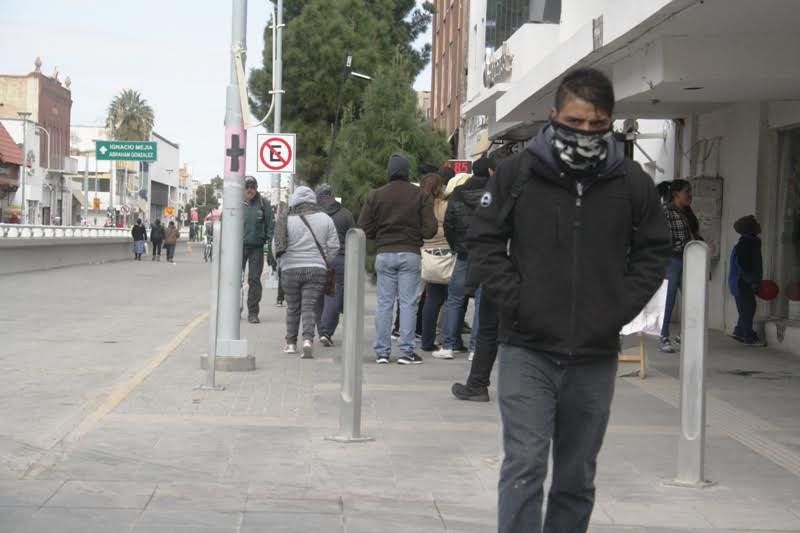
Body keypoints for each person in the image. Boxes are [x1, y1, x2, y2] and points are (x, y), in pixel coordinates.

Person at [467, 67, 671, 532]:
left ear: (610, 123)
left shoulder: (631, 182)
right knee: (524, 467)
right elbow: (483, 242)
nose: (585, 133)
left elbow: (654, 249)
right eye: (575, 123)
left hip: (594, 354)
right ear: (553, 114)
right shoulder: (518, 175)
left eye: (596, 125)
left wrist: (618, 306)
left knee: (576, 477)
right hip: (526, 348)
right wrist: (516, 299)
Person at [358, 152, 437, 365]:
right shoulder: (420, 195)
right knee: (409, 303)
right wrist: (415, 232)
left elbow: (364, 227)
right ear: (406, 171)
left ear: (389, 171)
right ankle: (406, 351)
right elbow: (430, 229)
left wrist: (380, 234)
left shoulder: (376, 195)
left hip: (384, 253)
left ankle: (382, 352)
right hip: (410, 253)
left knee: (384, 303)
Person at [434, 158, 495, 360]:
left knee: (454, 299)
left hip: (463, 253)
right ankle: (476, 348)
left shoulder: (458, 194)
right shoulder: (495, 194)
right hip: (486, 254)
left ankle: (449, 345)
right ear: (489, 171)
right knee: (481, 301)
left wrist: (455, 246)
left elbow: (449, 224)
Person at [273, 186, 338, 358]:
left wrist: (281, 263)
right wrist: (324, 262)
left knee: (293, 307)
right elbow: (334, 246)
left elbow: (275, 247)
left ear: (294, 199)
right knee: (309, 306)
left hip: (290, 270)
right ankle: (308, 340)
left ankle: (291, 344)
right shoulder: (325, 219)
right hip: (316, 270)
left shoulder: (285, 219)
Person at [659, 179, 701, 353]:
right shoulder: (665, 211)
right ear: (676, 194)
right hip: (672, 259)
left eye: (690, 191)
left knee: (694, 299)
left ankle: (684, 335)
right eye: (687, 192)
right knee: (668, 300)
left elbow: (694, 233)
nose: (690, 195)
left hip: (689, 259)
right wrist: (679, 244)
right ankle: (664, 336)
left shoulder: (687, 212)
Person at [313, 183, 355, 347]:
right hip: (339, 259)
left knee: (318, 296)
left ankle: (321, 330)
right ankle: (326, 331)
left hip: (317, 258)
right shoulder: (345, 214)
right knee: (333, 294)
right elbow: (354, 237)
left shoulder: (315, 214)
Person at [419, 173, 452, 352]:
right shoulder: (445, 206)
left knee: (430, 299)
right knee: (450, 299)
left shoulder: (420, 206)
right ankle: (447, 338)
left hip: (426, 255)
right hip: (446, 255)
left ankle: (426, 340)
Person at [729, 214, 766, 346]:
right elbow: (744, 266)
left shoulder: (749, 242)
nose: (759, 225)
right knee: (748, 309)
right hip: (742, 283)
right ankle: (749, 337)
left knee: (746, 308)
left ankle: (739, 331)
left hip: (740, 282)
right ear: (750, 228)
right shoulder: (747, 244)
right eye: (755, 223)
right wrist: (752, 281)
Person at [242, 176, 275, 324]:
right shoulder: (236, 203)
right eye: (247, 186)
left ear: (256, 188)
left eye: (252, 187)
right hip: (238, 248)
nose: (249, 189)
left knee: (254, 280)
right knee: (233, 279)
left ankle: (253, 312)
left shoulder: (264, 204)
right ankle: (233, 308)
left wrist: (271, 251)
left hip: (257, 247)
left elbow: (271, 228)